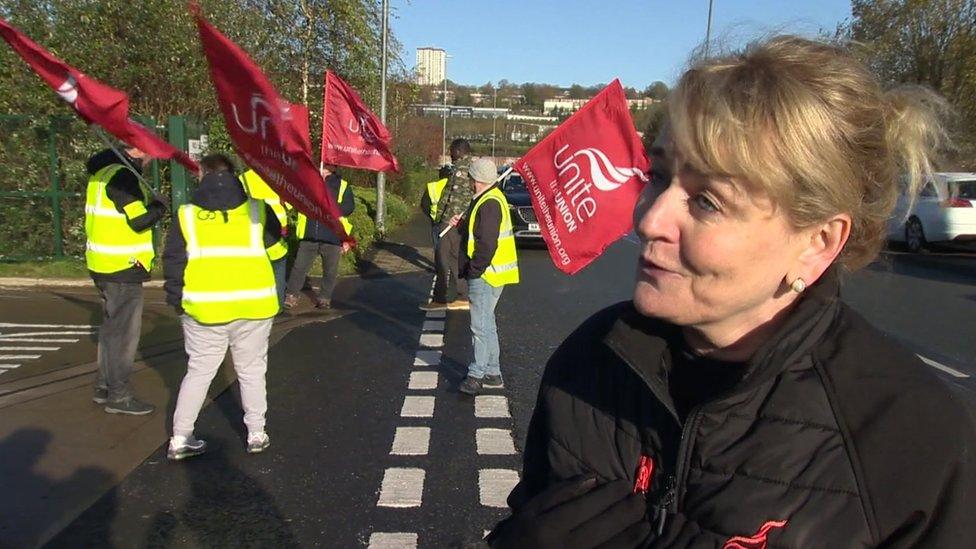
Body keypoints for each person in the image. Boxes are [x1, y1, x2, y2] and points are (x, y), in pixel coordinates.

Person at [489, 36, 976, 547]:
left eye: (707, 201)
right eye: (658, 176)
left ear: (817, 243)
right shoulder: (589, 362)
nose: (650, 219)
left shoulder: (912, 436)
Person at [162, 154, 287, 460]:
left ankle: (180, 437)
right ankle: (256, 433)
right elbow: (278, 251)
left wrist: (177, 301)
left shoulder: (186, 215)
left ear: (201, 176)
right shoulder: (258, 210)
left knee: (199, 372)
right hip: (254, 306)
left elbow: (174, 262)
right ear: (234, 175)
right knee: (252, 370)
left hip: (204, 310)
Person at [85, 146, 166, 416]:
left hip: (102, 264)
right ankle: (118, 395)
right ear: (140, 149)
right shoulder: (124, 177)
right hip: (123, 267)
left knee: (111, 329)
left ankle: (104, 386)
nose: (153, 157)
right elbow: (139, 221)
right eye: (152, 151)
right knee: (124, 335)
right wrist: (158, 207)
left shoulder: (103, 172)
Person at [456, 158, 519, 395]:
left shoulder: (488, 203)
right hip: (493, 274)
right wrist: (462, 225)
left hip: (486, 275)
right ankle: (492, 373)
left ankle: (477, 374)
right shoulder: (491, 199)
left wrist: (474, 270)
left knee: (479, 327)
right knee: (487, 324)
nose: (470, 182)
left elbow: (486, 243)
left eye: (471, 178)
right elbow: (480, 232)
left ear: (477, 180)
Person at [284, 164, 354, 309]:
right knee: (299, 267)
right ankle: (291, 295)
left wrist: (328, 206)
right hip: (310, 234)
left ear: (334, 168)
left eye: (329, 165)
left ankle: (324, 298)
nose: (325, 167)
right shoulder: (309, 181)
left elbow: (348, 207)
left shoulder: (342, 185)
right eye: (324, 164)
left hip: (332, 236)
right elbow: (295, 199)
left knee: (330, 271)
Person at [422, 138, 474, 311]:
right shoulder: (471, 168)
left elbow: (454, 198)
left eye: (451, 151)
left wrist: (445, 220)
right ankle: (462, 295)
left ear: (459, 151)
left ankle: (441, 298)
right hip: (459, 222)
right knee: (454, 259)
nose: (450, 154)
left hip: (451, 221)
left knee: (442, 259)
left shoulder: (460, 169)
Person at [241, 169, 290, 308]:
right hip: (278, 229)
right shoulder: (277, 177)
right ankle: (278, 305)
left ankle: (256, 303)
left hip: (254, 229)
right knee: (278, 272)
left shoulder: (243, 178)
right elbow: (289, 204)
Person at [420, 164, 454, 249]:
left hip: (437, 220)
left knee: (438, 245)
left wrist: (431, 215)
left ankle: (438, 261)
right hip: (453, 221)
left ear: (440, 174)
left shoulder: (432, 186)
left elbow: (424, 204)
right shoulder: (455, 187)